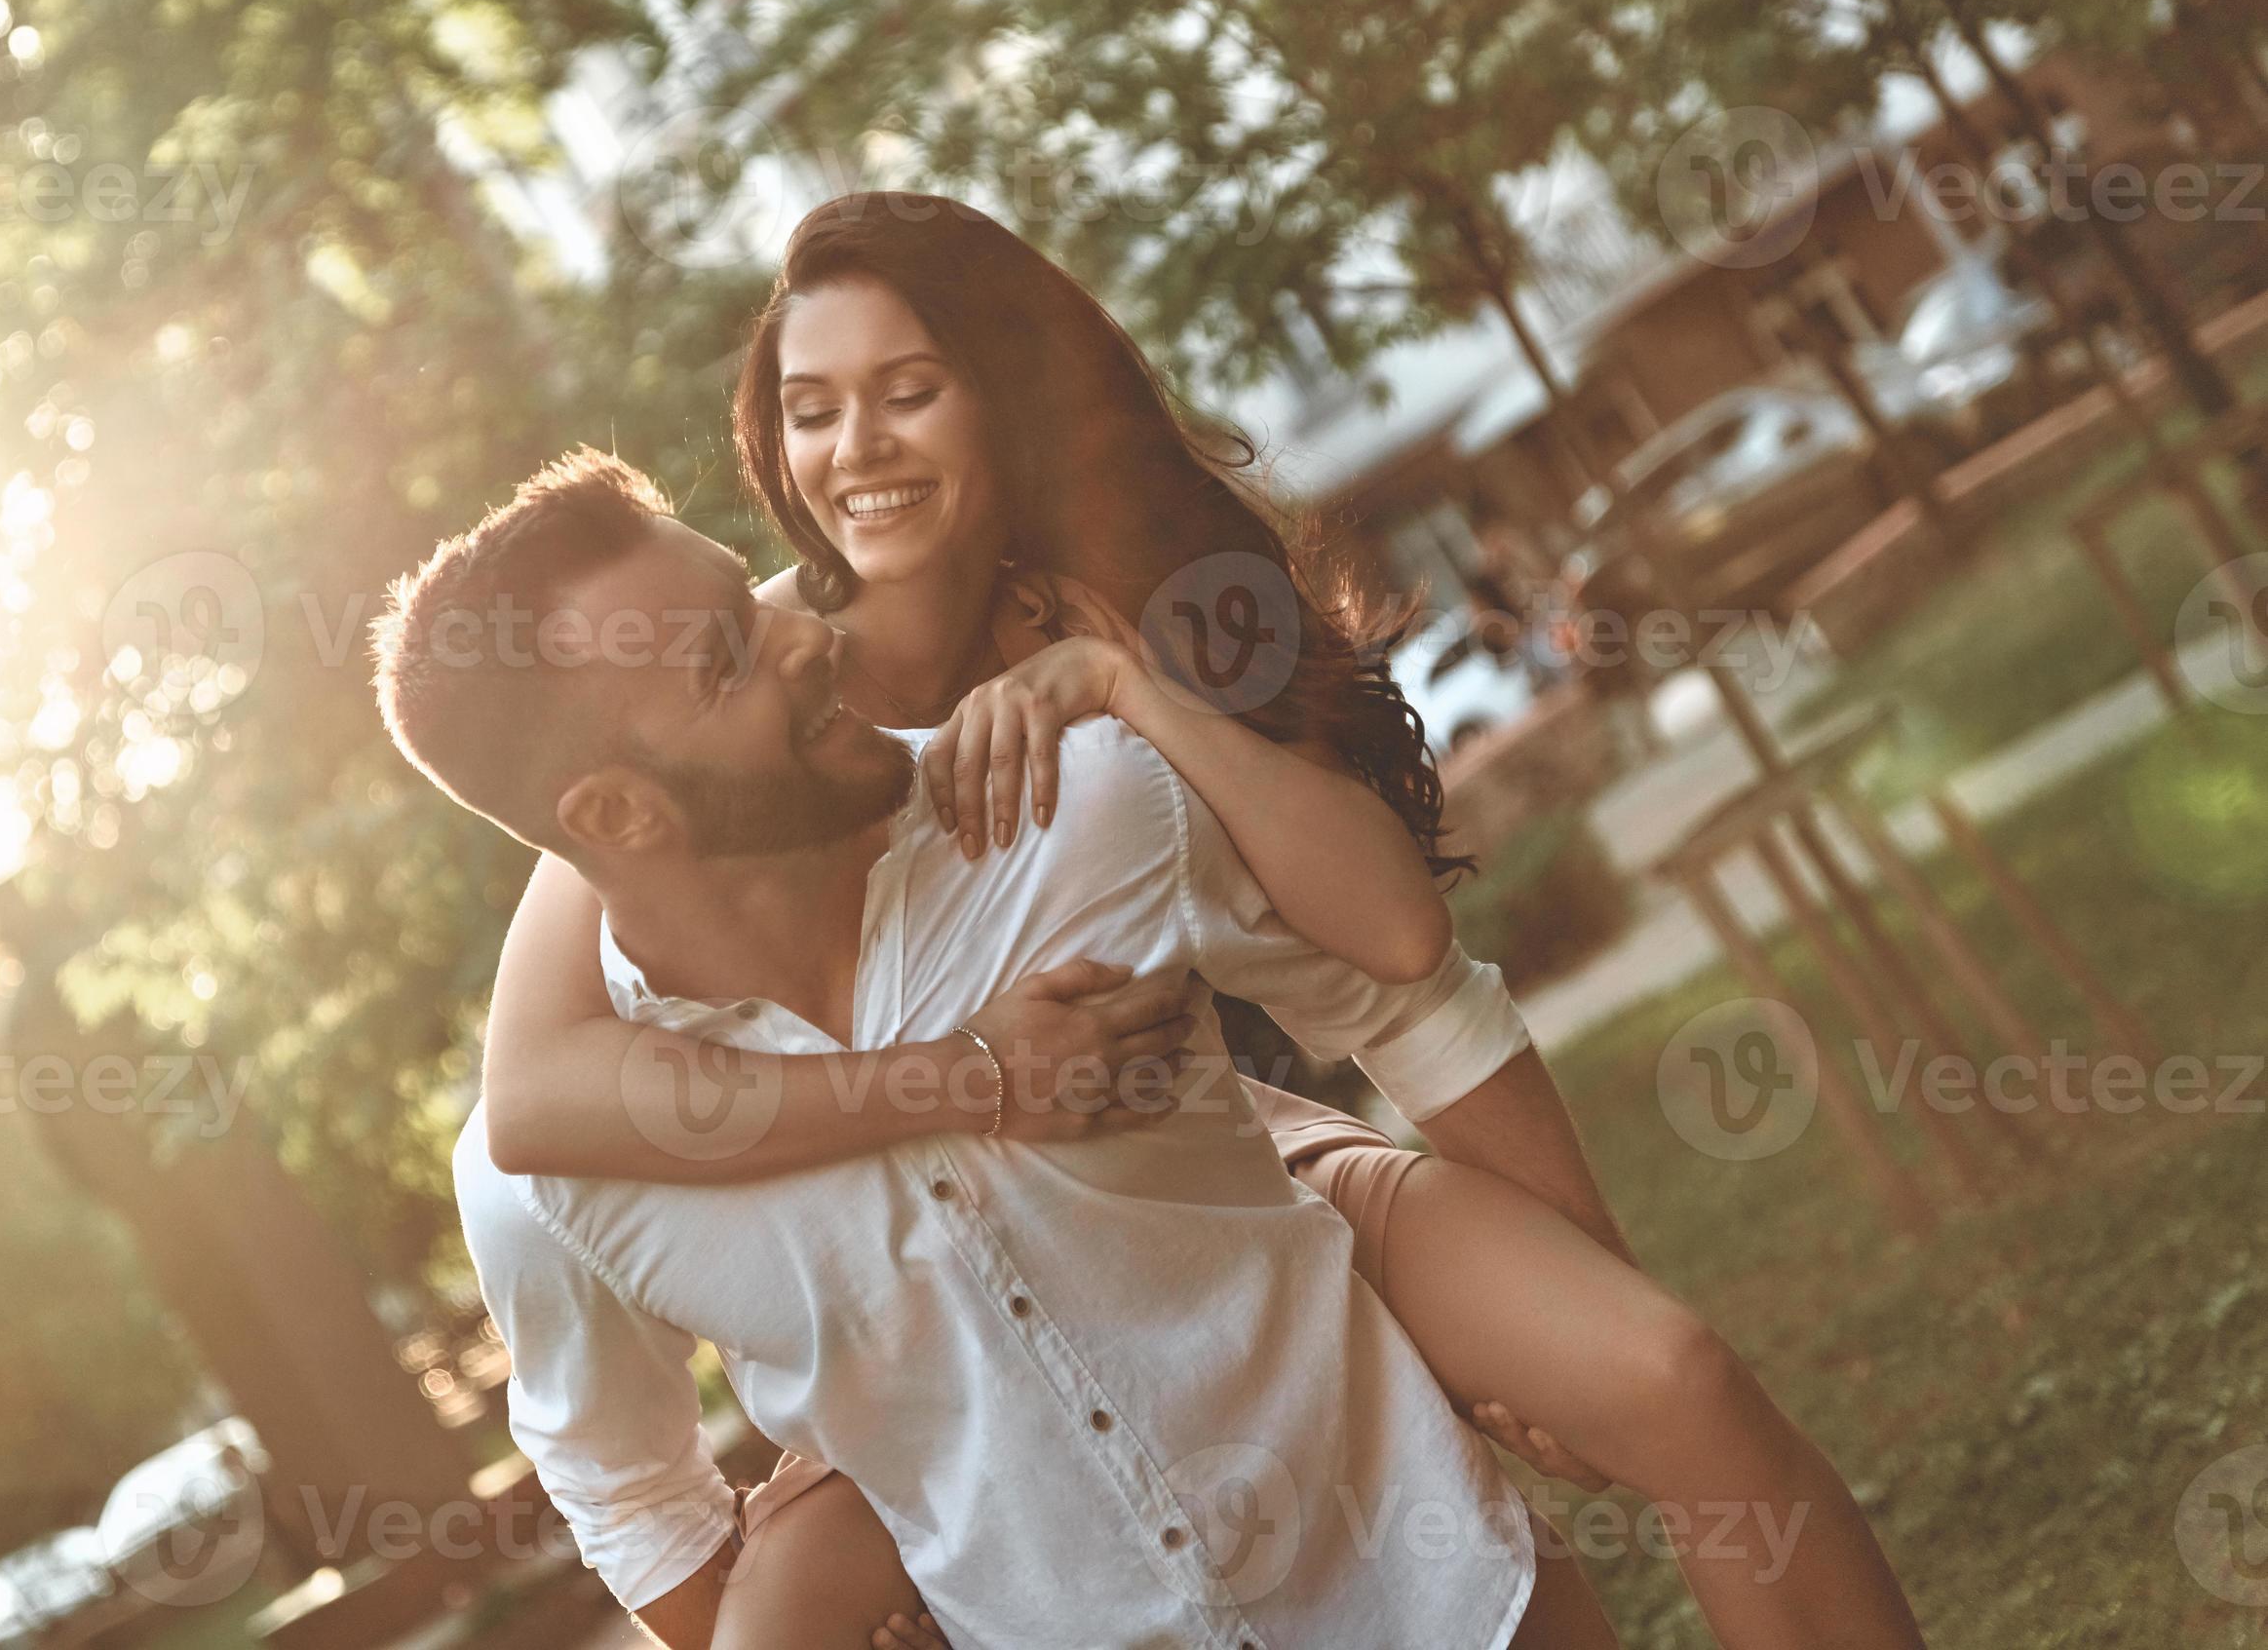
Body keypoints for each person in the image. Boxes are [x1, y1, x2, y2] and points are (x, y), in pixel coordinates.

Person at [473, 195, 1923, 1650]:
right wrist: (970, 1082)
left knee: (1672, 1384)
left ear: (1009, 398)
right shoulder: (744, 693)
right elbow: (526, 1106)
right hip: (926, 1229)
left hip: (1212, 1142)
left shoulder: (1118, 623)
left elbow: (1399, 978)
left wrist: (1573, 1276)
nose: (854, 451)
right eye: (808, 410)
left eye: (908, 393)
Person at [374, 450, 1596, 1647]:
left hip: (1454, 1604)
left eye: (749, 597)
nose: (802, 635)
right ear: (612, 816)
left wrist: (1586, 1328)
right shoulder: (551, 1176)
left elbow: (1402, 994)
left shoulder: (1073, 809)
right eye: (723, 660)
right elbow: (624, 1488)